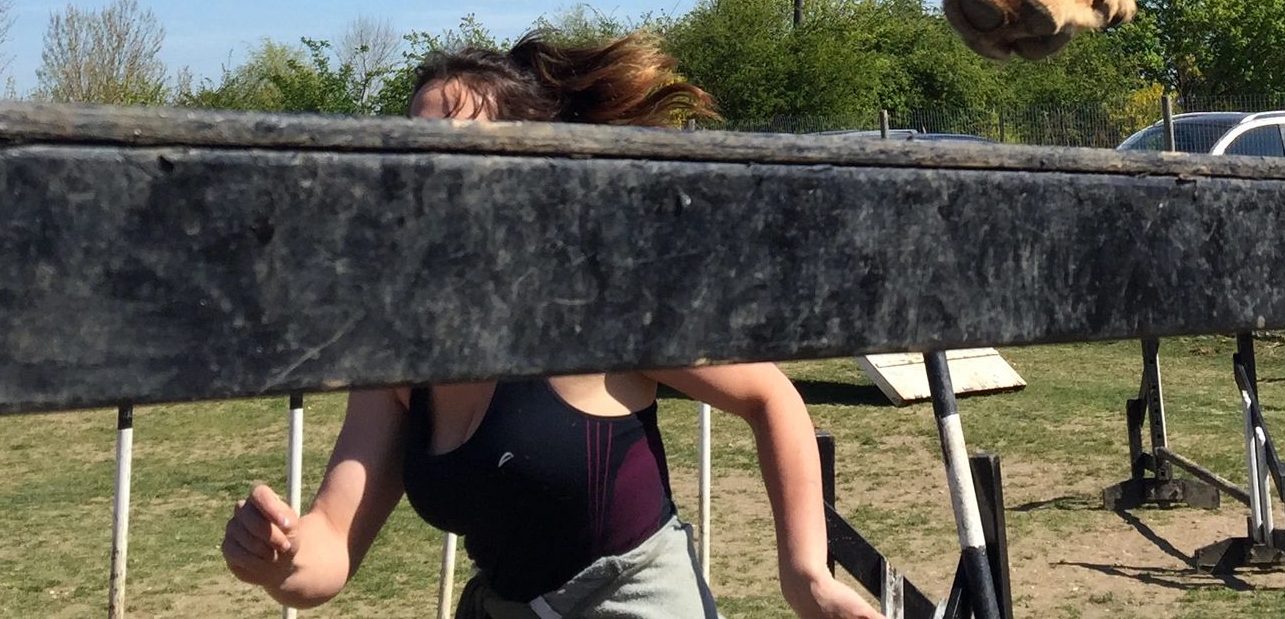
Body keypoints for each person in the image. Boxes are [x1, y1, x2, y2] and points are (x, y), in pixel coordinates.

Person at [220, 33, 874, 619]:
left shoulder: (595, 304)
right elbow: (331, 544)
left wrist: (805, 574)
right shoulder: (400, 344)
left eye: (460, 149)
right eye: (412, 148)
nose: (429, 170)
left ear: (528, 173)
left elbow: (770, 396)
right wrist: (281, 560)